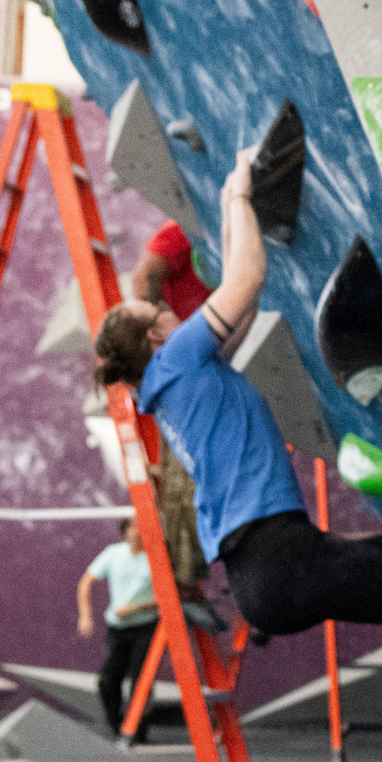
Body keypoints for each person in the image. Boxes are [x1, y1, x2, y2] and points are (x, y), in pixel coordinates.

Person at [92, 148, 382, 756]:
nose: (169, 306)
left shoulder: (172, 385)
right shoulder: (178, 360)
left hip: (263, 578)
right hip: (286, 560)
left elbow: (241, 299)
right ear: (155, 335)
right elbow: (248, 281)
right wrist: (235, 198)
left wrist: (236, 197)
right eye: (157, 309)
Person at [132, 218, 212, 591]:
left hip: (204, 364)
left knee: (193, 470)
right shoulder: (181, 227)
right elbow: (143, 275)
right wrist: (171, 333)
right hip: (186, 364)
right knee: (182, 474)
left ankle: (188, 570)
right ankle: (183, 574)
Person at [78, 521, 160, 745]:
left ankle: (138, 730)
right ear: (126, 531)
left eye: (142, 527)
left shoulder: (157, 557)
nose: (138, 531)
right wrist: (85, 615)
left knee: (141, 681)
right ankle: (116, 725)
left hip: (146, 627)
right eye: (133, 527)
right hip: (117, 629)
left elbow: (169, 598)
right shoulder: (113, 554)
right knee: (107, 681)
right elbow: (86, 581)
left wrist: (135, 608)